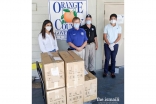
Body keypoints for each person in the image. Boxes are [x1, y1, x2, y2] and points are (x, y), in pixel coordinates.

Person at [103, 14, 122, 78]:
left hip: (115, 45)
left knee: (113, 58)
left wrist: (113, 44)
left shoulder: (119, 27)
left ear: (116, 19)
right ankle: (105, 72)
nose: (113, 20)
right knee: (107, 58)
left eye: (114, 18)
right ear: (109, 19)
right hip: (107, 44)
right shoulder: (106, 27)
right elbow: (104, 36)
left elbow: (119, 37)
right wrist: (109, 44)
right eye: (111, 18)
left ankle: (112, 72)